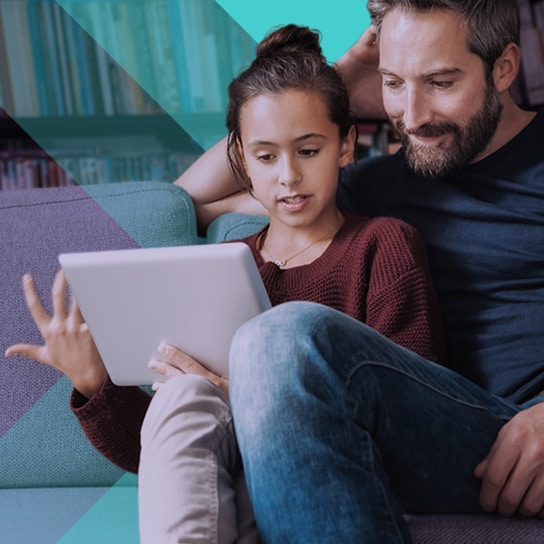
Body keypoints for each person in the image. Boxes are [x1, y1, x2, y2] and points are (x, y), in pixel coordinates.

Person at [5, 25, 447, 543]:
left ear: (346, 145)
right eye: (265, 157)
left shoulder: (383, 245)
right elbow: (164, 459)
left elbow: (414, 417)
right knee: (182, 397)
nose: (288, 177)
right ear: (241, 159)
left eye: (309, 151)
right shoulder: (217, 267)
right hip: (221, 488)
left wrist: (255, 402)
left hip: (325, 468)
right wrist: (95, 384)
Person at [174, 0, 544, 542]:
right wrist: (330, 88)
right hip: (438, 433)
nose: (412, 116)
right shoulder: (370, 184)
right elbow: (185, 203)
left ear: (504, 67)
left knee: (277, 337)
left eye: (440, 82)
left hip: (528, 429)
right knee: (271, 342)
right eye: (394, 83)